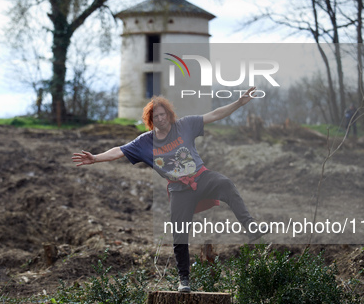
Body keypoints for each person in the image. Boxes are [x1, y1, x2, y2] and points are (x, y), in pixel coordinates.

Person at [72, 88, 264, 293]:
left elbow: (214, 114)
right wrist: (95, 158)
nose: (161, 118)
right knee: (179, 234)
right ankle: (184, 279)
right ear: (151, 119)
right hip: (179, 190)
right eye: (156, 116)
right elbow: (118, 151)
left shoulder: (184, 125)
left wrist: (238, 103)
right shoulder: (144, 142)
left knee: (225, 183)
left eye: (163, 114)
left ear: (169, 115)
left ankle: (250, 227)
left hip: (201, 177)